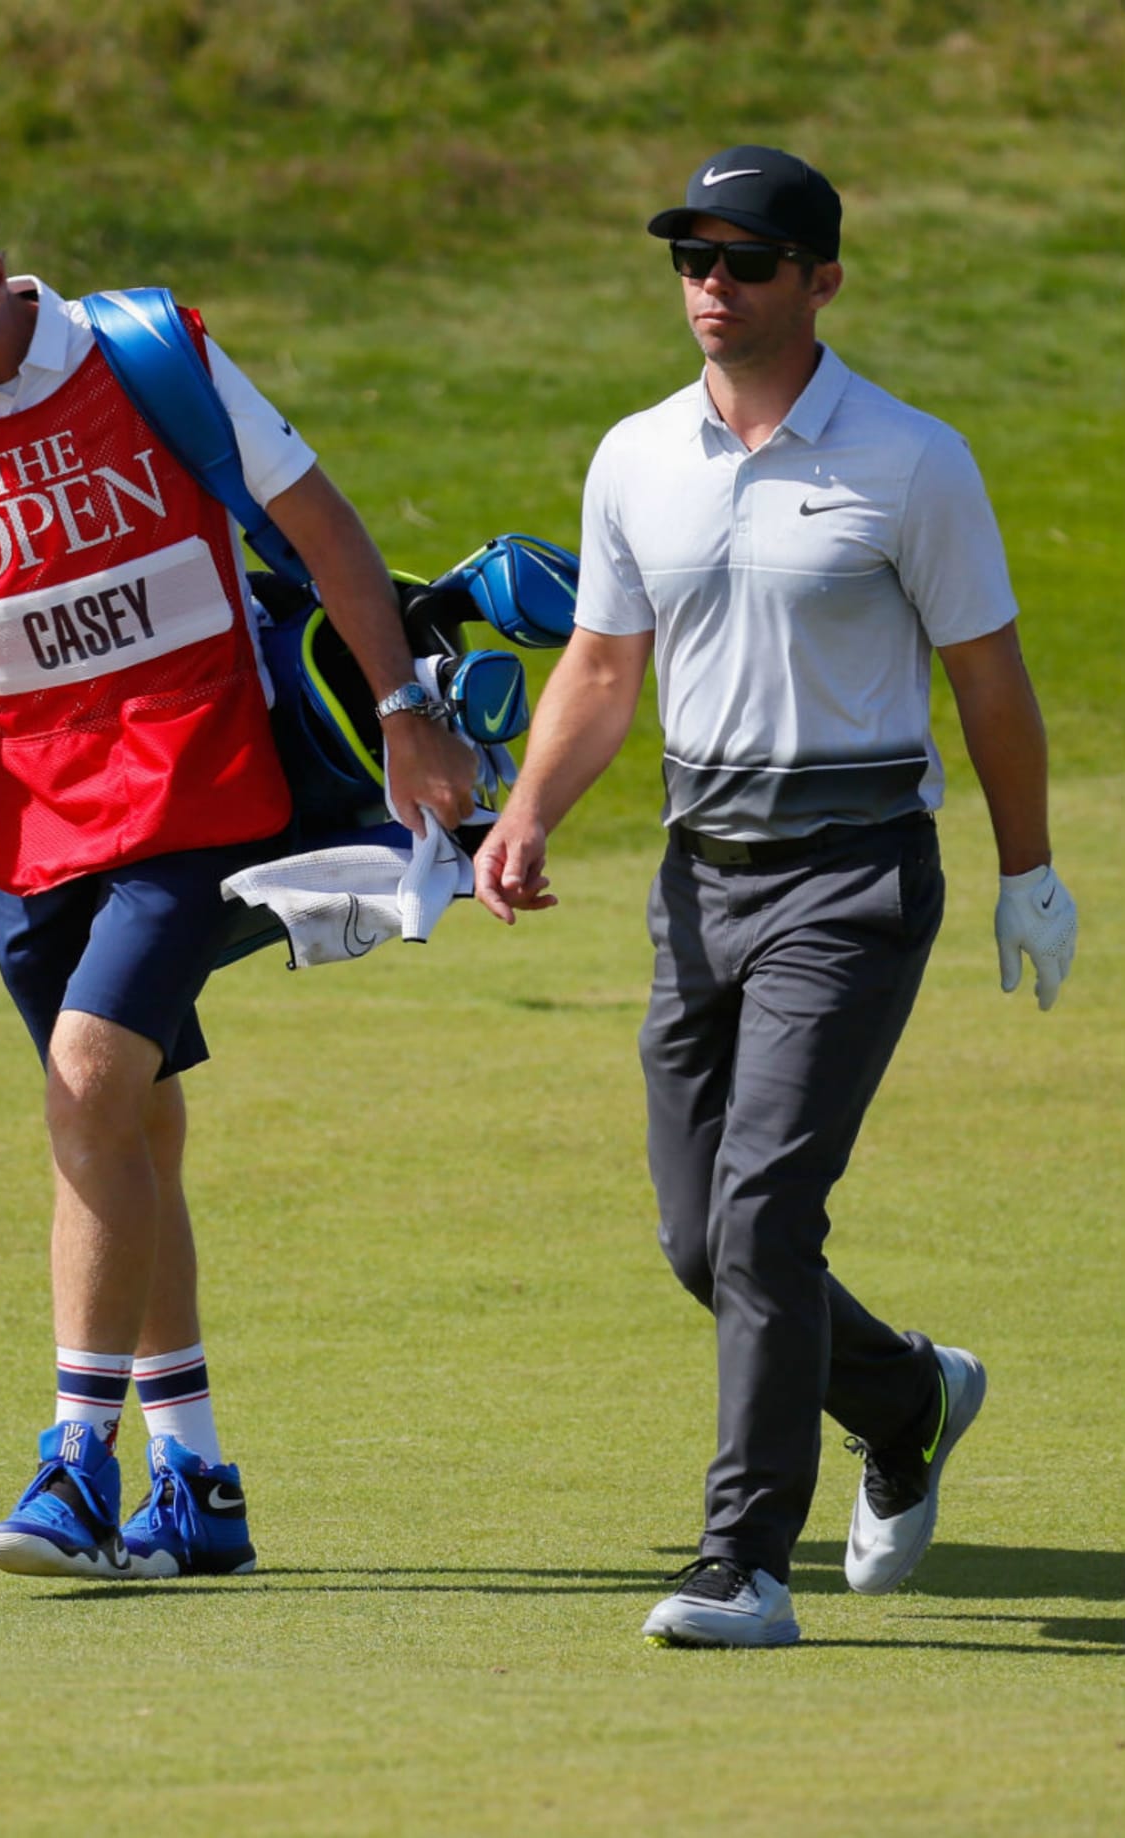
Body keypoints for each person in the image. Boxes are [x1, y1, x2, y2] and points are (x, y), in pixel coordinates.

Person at [0, 177, 477, 1583]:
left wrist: (407, 705)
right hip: (32, 825)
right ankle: (200, 1484)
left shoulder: (149, 352)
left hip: (201, 785)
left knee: (92, 1085)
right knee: (133, 1134)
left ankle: (75, 1465)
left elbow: (327, 526)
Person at [475, 145, 1077, 1648]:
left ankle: (744, 1561)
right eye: (691, 256)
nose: (711, 286)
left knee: (762, 1213)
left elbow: (987, 679)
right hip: (701, 883)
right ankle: (909, 1391)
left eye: (745, 261)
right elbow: (606, 667)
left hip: (857, 875)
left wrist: (1029, 869)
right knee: (705, 1242)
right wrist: (531, 811)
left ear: (822, 279)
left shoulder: (911, 459)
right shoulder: (636, 457)